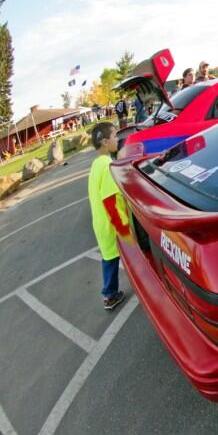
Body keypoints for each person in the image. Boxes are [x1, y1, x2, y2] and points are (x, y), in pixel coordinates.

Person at [87, 122, 130, 310]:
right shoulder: (106, 165)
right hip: (112, 224)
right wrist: (123, 227)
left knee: (109, 259)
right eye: (114, 136)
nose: (117, 139)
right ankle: (110, 295)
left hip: (102, 223)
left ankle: (109, 293)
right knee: (115, 259)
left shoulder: (97, 163)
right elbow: (110, 200)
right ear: (105, 142)